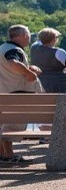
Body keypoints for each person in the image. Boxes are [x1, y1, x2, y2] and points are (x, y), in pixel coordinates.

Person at [0, 25, 41, 163]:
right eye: (29, 35)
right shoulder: (14, 49)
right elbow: (13, 63)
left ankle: (3, 155)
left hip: (4, 92)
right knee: (12, 126)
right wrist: (29, 74)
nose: (29, 38)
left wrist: (29, 68)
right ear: (22, 35)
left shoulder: (2, 48)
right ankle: (9, 156)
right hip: (17, 93)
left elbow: (8, 67)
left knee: (3, 125)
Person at [31, 28, 66, 95]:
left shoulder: (34, 47)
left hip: (39, 84)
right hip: (59, 85)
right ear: (54, 39)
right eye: (57, 37)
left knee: (43, 105)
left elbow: (39, 42)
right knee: (62, 105)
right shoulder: (59, 52)